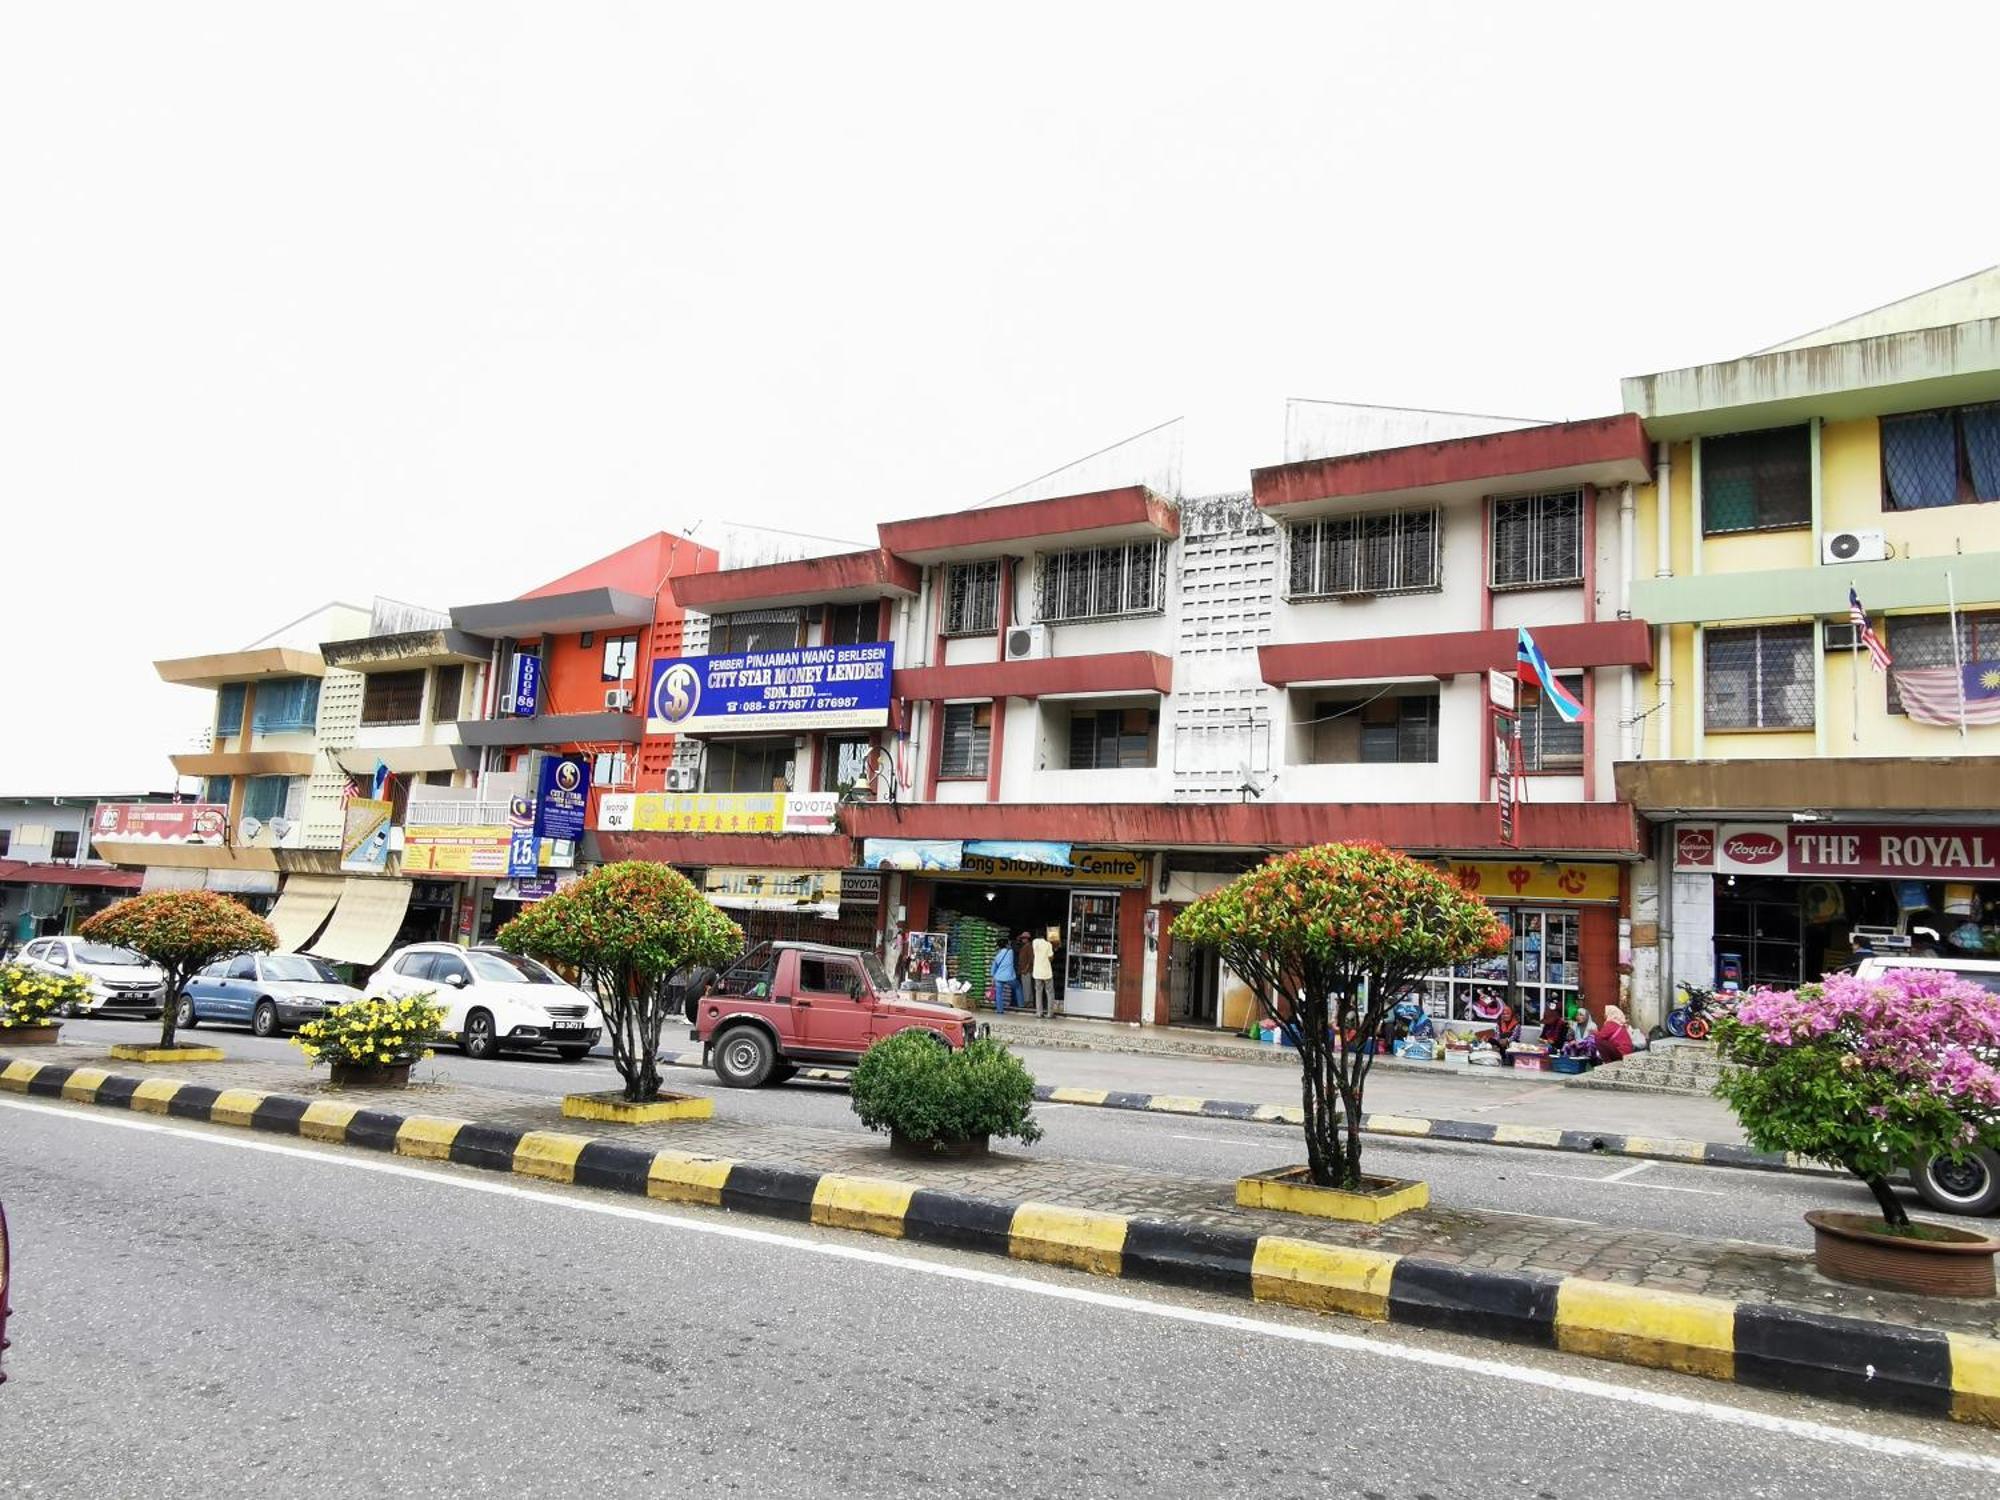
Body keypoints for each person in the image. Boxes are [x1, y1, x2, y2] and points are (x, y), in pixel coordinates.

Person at [1030, 929, 1057, 1017]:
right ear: (1045, 935)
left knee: (1038, 992)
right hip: (1046, 972)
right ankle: (1050, 1013)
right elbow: (1050, 958)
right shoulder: (1048, 944)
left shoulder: (1034, 942)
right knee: (1049, 992)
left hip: (1037, 972)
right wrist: (1054, 949)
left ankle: (1039, 1012)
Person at [988, 939, 1018, 1015]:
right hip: (1009, 977)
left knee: (999, 994)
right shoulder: (1010, 952)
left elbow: (994, 967)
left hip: (998, 976)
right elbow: (1011, 947)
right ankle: (1021, 1005)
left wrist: (993, 976)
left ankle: (999, 1010)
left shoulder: (997, 955)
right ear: (1006, 944)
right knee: (1018, 987)